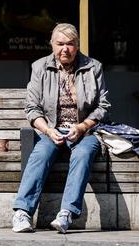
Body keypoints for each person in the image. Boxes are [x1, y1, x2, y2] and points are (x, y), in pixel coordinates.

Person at [12, 23, 110, 234]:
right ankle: (22, 212)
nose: (65, 49)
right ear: (52, 44)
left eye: (70, 44)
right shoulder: (40, 67)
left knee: (84, 153)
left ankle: (66, 213)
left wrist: (83, 126)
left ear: (77, 45)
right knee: (40, 154)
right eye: (60, 44)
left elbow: (103, 106)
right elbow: (32, 108)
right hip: (52, 129)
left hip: (85, 132)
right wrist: (48, 130)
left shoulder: (94, 67)